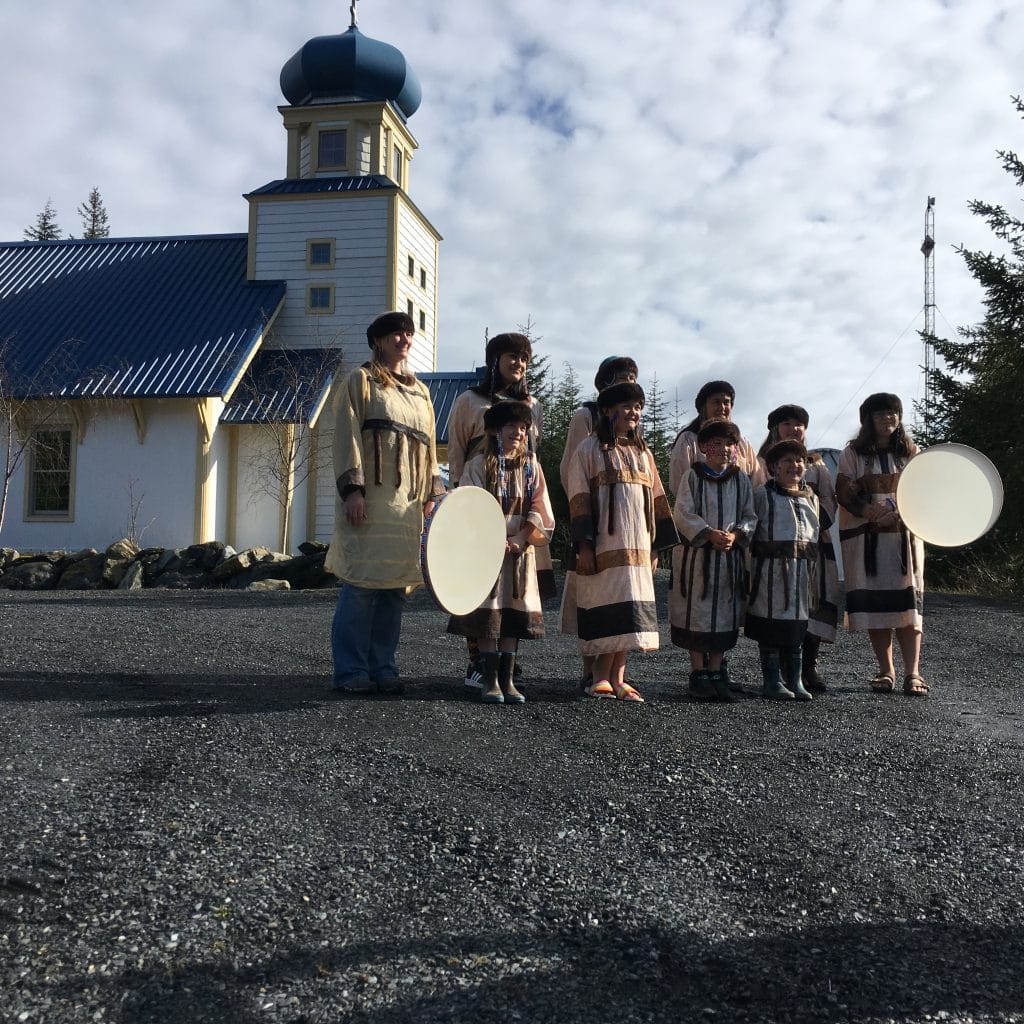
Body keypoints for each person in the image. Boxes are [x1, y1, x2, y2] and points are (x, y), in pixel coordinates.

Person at [325, 311, 445, 695]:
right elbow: (347, 435)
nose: (403, 340)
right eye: (395, 334)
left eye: (408, 334)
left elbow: (428, 448)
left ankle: (383, 666)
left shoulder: (420, 392)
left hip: (407, 508)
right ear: (377, 340)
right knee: (361, 587)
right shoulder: (361, 381)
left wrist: (434, 496)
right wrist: (353, 490)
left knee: (394, 589)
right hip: (372, 503)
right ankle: (351, 670)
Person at [447, 332, 553, 688]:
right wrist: (456, 503)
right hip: (480, 500)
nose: (518, 364)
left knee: (515, 589)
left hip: (520, 499)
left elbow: (532, 454)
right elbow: (457, 451)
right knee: (480, 584)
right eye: (511, 356)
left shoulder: (533, 406)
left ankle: (509, 668)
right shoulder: (470, 400)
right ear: (495, 360)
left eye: (524, 359)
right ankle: (478, 662)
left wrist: (528, 528)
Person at [566, 382, 679, 703]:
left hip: (639, 550)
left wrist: (656, 548)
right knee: (608, 610)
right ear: (606, 410)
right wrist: (584, 546)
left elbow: (657, 500)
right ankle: (599, 676)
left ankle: (618, 678)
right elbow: (579, 498)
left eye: (638, 406)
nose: (634, 412)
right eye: (627, 406)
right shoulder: (588, 450)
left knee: (631, 614)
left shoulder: (643, 453)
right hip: (604, 549)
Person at [835, 393, 927, 696]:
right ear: (868, 420)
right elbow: (844, 490)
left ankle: (913, 673)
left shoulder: (911, 452)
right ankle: (886, 670)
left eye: (891, 413)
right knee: (877, 608)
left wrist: (904, 513)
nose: (886, 419)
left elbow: (927, 489)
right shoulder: (854, 454)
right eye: (879, 414)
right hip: (869, 542)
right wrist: (870, 511)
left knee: (909, 609)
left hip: (904, 541)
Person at [557, 356, 639, 690]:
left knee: (627, 592)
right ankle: (592, 669)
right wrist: (587, 520)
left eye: (633, 376)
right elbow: (571, 467)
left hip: (628, 529)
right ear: (604, 381)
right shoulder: (586, 416)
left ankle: (616, 673)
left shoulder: (633, 425)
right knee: (593, 594)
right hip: (596, 518)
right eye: (621, 375)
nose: (628, 379)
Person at [669, 419, 757, 702]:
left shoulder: (740, 478)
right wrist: (706, 533)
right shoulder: (693, 476)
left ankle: (717, 672)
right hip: (698, 560)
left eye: (729, 443)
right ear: (703, 447)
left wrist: (737, 534)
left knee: (723, 614)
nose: (723, 449)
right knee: (697, 613)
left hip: (727, 559)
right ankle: (698, 673)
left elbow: (749, 515)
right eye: (716, 443)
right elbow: (682, 512)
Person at [758, 405, 840, 692]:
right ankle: (775, 674)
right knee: (775, 605)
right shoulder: (761, 463)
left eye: (800, 424)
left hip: (810, 547)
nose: (794, 428)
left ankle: (807, 669)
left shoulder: (815, 464)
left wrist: (814, 530)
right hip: (773, 550)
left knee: (809, 605)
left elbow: (827, 501)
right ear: (775, 428)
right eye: (787, 423)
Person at [746, 440, 821, 701]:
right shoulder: (762, 496)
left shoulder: (812, 498)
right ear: (773, 467)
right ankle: (771, 680)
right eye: (787, 461)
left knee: (797, 624)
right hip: (771, 573)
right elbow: (751, 532)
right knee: (771, 622)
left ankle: (795, 679)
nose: (795, 465)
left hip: (802, 572)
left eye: (799, 460)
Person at [668, 380, 766, 497]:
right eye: (716, 402)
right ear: (704, 406)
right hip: (700, 511)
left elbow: (757, 485)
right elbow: (679, 485)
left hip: (739, 512)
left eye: (726, 402)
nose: (722, 407)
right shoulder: (689, 441)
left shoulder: (742, 445)